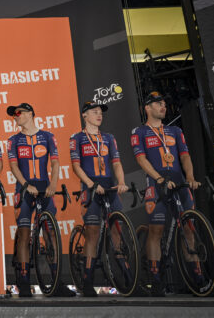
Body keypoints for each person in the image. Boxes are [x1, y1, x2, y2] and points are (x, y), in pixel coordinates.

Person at [131, 91, 202, 296]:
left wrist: (190, 177)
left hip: (179, 181)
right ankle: (155, 279)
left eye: (164, 103)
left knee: (189, 229)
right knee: (156, 231)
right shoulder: (139, 132)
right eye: (158, 103)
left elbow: (185, 156)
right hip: (157, 183)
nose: (163, 106)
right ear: (147, 107)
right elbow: (141, 159)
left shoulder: (175, 130)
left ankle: (198, 278)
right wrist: (159, 179)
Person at [70, 101, 128, 297]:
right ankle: (87, 282)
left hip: (109, 187)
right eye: (94, 112)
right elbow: (76, 166)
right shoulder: (77, 138)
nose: (99, 114)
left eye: (100, 112)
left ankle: (128, 277)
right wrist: (90, 184)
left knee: (117, 231)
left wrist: (121, 182)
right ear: (84, 115)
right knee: (92, 234)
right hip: (90, 188)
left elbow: (116, 163)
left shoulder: (109, 138)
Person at [6, 102, 62, 297]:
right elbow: (14, 166)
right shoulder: (13, 140)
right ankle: (23, 281)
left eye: (19, 113)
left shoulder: (48, 136)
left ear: (30, 114)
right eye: (14, 115)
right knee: (24, 233)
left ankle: (57, 281)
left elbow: (55, 163)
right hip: (24, 189)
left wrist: (53, 184)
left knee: (50, 233)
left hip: (45, 187)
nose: (16, 116)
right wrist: (25, 185)